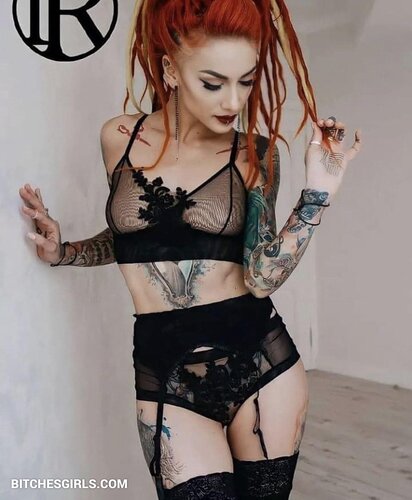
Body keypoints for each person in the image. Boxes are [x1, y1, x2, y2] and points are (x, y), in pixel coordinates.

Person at [19, 0, 362, 498]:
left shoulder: (255, 154)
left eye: (245, 81)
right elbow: (137, 238)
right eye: (213, 82)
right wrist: (64, 251)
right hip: (164, 368)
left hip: (260, 364)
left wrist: (317, 193)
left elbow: (262, 276)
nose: (233, 100)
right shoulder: (120, 137)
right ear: (170, 71)